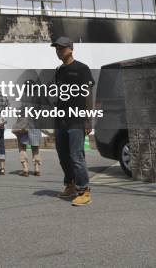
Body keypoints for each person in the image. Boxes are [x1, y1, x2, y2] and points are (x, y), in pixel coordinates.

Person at [51, 36, 94, 206]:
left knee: (76, 155)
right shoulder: (58, 70)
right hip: (61, 120)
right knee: (63, 156)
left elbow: (88, 95)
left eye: (61, 48)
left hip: (76, 120)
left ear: (70, 49)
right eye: (56, 48)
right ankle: (70, 185)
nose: (58, 51)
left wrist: (88, 120)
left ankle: (84, 191)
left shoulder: (82, 69)